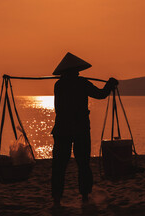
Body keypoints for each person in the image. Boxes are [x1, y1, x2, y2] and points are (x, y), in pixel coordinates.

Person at [51, 52, 118, 206]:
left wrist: (108, 86)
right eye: (76, 71)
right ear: (73, 71)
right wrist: (109, 85)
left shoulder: (59, 85)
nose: (78, 73)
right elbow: (100, 94)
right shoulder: (81, 83)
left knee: (60, 165)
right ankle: (85, 196)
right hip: (79, 129)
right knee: (82, 164)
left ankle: (57, 198)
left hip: (62, 130)